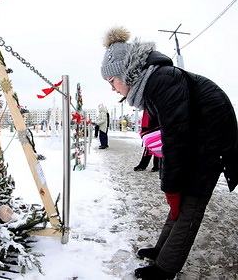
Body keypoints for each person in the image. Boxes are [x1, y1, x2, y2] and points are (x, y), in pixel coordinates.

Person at [100, 26, 238, 279]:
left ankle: (165, 269)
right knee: (179, 201)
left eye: (112, 81)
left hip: (211, 142)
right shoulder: (152, 81)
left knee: (191, 203)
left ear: (125, 74)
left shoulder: (161, 80)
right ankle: (161, 250)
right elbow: (172, 134)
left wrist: (171, 184)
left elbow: (177, 138)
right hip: (199, 138)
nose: (112, 88)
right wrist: (171, 185)